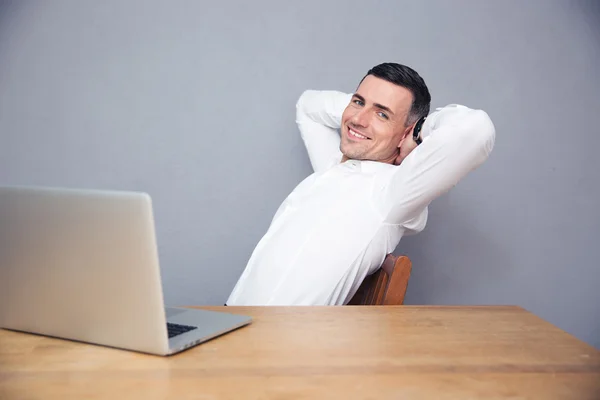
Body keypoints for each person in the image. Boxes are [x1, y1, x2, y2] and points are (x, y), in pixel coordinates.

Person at [226, 62, 495, 306]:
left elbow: (475, 129)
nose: (358, 120)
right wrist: (370, 107)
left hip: (273, 348)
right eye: (358, 102)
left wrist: (418, 130)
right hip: (232, 327)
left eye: (382, 115)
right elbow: (308, 105)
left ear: (404, 132)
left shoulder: (391, 193)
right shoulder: (334, 167)